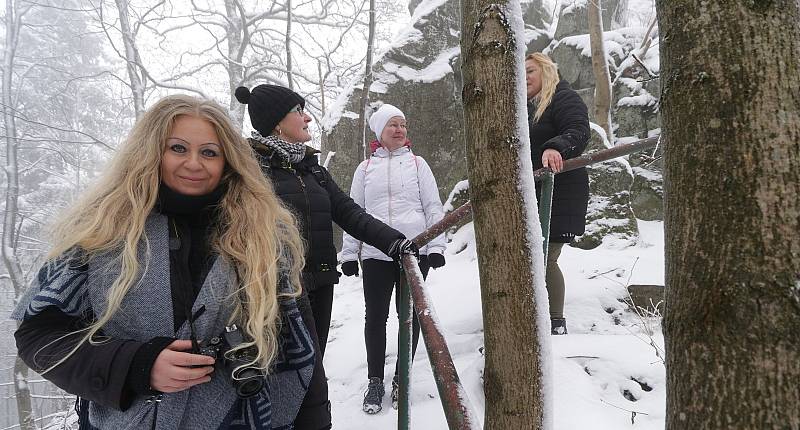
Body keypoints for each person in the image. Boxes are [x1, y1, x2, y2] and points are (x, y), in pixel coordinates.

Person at [12, 95, 315, 429]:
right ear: (152, 150)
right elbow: (38, 334)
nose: (194, 164)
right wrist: (135, 365)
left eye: (209, 152)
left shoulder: (261, 234)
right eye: (178, 148)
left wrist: (317, 420)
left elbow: (300, 342)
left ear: (228, 161)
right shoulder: (101, 231)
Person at [235, 85, 416, 430]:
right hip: (276, 294)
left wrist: (393, 241)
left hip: (318, 282)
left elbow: (348, 212)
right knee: (280, 372)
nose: (307, 118)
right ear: (276, 122)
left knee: (313, 368)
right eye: (298, 111)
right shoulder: (250, 171)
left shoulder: (311, 169)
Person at [340, 103, 447, 414]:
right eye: (393, 125)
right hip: (375, 253)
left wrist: (435, 247)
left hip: (414, 251)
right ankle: (375, 381)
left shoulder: (417, 164)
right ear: (380, 131)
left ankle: (403, 377)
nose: (400, 130)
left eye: (403, 124)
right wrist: (349, 253)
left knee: (408, 317)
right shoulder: (364, 169)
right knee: (375, 317)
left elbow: (432, 207)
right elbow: (353, 214)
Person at [525, 52, 591, 335]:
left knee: (545, 257)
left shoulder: (563, 97)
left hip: (560, 192)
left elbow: (578, 130)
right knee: (532, 258)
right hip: (535, 193)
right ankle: (536, 320)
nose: (524, 77)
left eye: (530, 70)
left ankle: (555, 323)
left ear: (547, 71)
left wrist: (555, 147)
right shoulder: (528, 106)